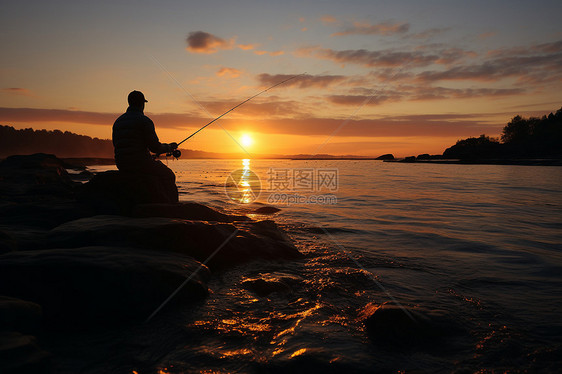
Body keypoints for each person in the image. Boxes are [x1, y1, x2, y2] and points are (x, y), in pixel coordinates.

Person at [112, 90, 178, 182]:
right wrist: (169, 147)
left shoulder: (118, 121)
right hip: (140, 164)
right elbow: (155, 148)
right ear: (142, 104)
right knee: (169, 175)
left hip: (121, 164)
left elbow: (117, 145)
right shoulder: (145, 121)